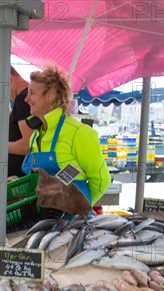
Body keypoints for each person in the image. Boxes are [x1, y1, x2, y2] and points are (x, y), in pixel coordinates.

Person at [22, 64, 110, 206]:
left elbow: (102, 179)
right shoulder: (36, 135)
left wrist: (81, 208)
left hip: (73, 224)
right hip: (44, 220)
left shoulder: (79, 133)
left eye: (32, 92)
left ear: (50, 95)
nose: (26, 99)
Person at [0, 65, 34, 177]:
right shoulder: (23, 99)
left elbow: (28, 145)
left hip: (20, 178)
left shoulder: (22, 100)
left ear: (8, 78)